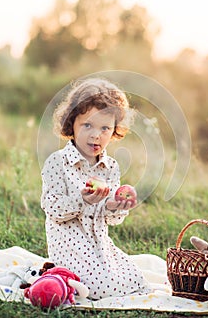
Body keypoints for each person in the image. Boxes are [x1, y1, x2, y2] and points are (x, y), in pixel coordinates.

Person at [41, 77, 152, 300]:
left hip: (99, 243)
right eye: (87, 125)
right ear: (72, 123)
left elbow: (112, 220)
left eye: (105, 128)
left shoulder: (110, 167)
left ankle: (89, 277)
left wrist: (115, 206)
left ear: (114, 131)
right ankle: (60, 275)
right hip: (68, 244)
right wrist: (82, 201)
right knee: (102, 289)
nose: (96, 135)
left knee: (137, 280)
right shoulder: (57, 162)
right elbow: (51, 208)